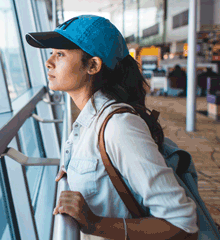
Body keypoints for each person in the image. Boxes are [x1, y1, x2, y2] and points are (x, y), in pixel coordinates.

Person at [26, 15, 198, 239]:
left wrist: (96, 225)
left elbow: (182, 223)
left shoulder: (120, 126)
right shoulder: (90, 120)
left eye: (60, 54)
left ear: (93, 65)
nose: (49, 62)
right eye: (51, 53)